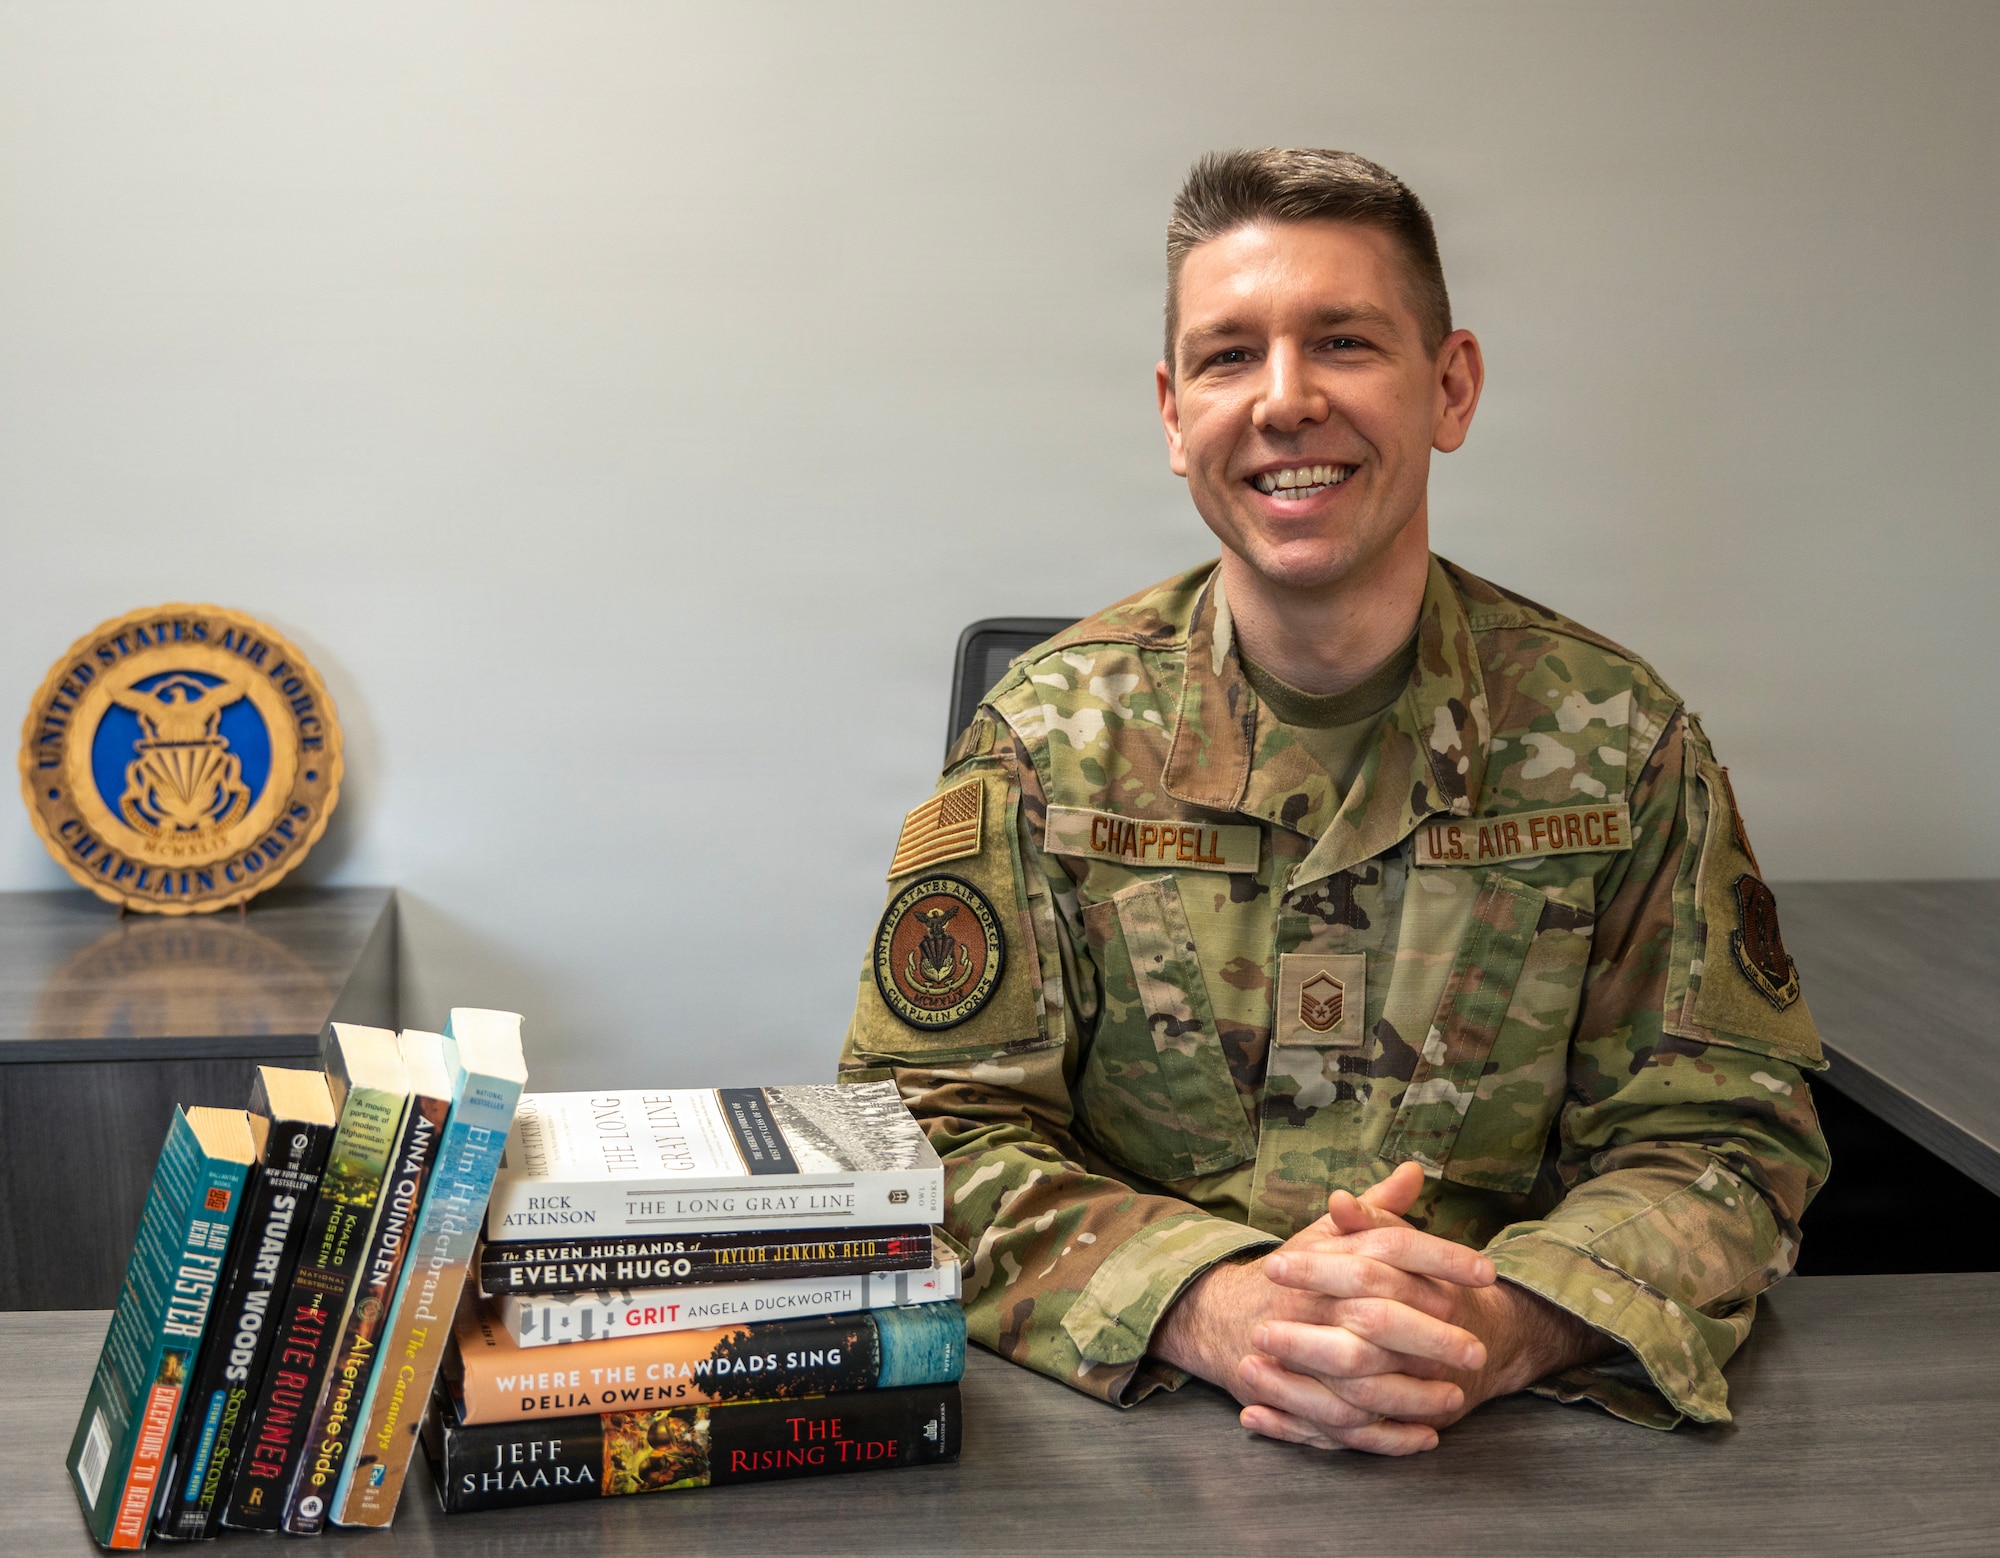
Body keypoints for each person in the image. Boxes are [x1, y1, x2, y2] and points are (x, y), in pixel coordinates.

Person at [839, 148, 1829, 1455]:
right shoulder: (1044, 743)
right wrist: (1211, 1302)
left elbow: (1726, 1136)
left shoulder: (1619, 744)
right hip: (1137, 1447)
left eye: (1345, 342)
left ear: (1451, 385)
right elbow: (916, 1127)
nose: (1285, 400)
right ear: (1172, 409)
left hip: (1508, 1452)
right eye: (1229, 356)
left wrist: (1495, 1322)